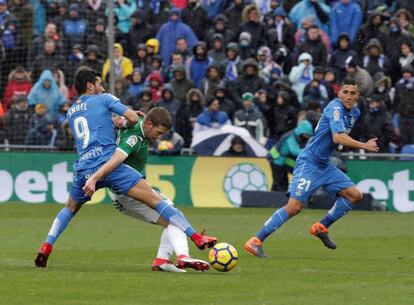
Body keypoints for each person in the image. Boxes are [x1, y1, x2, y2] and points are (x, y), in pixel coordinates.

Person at [34, 68, 216, 268]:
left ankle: (47, 245)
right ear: (90, 86)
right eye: (100, 83)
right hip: (108, 165)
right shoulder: (103, 98)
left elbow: (94, 124)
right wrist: (128, 119)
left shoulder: (70, 111)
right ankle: (196, 237)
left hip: (84, 167)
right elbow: (130, 118)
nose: (102, 86)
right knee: (157, 201)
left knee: (69, 208)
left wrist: (114, 122)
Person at [245, 79, 379, 257]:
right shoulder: (335, 108)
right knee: (294, 207)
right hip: (309, 162)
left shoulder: (355, 112)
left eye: (353, 93)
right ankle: (255, 241)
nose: (348, 96)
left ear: (358, 96)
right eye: (345, 92)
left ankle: (321, 227)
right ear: (339, 94)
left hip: (324, 164)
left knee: (355, 196)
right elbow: (338, 138)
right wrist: (364, 145)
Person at [110, 108, 208, 272]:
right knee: (173, 217)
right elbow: (116, 158)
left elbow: (120, 121)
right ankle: (182, 256)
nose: (159, 137)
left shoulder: (139, 124)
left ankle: (162, 260)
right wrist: (95, 178)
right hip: (127, 193)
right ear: (149, 124)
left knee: (172, 212)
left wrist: (120, 120)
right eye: (159, 131)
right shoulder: (133, 138)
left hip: (129, 189)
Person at [269, 119, 314, 192]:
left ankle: (272, 199)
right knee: (280, 183)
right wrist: (309, 151)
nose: (307, 137)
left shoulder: (296, 136)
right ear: (301, 131)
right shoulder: (291, 137)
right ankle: (275, 199)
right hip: (276, 160)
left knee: (280, 183)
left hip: (283, 160)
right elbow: (294, 151)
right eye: (306, 135)